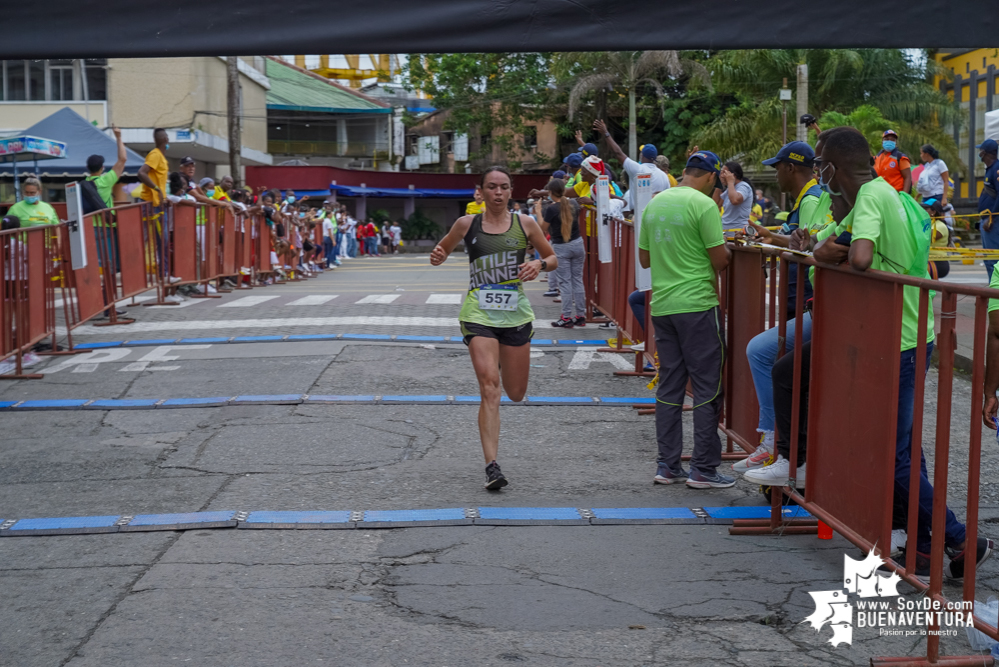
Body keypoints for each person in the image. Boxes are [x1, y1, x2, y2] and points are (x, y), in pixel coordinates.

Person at [754, 127, 992, 580]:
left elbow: (857, 257)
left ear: (834, 166)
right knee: (903, 450)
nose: (817, 169)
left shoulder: (869, 198)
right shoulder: (891, 195)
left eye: (820, 161)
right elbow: (825, 244)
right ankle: (925, 549)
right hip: (902, 335)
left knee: (893, 456)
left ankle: (963, 538)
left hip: (895, 339)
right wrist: (826, 250)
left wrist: (831, 254)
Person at [429, 166, 557, 490]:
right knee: (490, 387)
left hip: (515, 315)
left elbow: (552, 257)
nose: (497, 193)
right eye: (491, 187)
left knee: (515, 393)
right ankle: (492, 466)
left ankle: (505, 363)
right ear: (481, 191)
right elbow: (443, 248)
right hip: (479, 314)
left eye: (503, 187)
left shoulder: (525, 224)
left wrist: (538, 264)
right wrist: (439, 254)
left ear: (510, 191)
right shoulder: (466, 224)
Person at [638, 150, 734, 489]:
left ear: (684, 172)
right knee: (707, 387)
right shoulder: (704, 205)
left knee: (670, 386)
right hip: (697, 305)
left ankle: (667, 465)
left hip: (663, 306)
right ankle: (704, 469)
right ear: (710, 177)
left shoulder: (655, 204)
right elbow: (720, 261)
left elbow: (644, 259)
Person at [737, 140, 828, 473]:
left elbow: (810, 246)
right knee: (781, 367)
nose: (775, 174)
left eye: (777, 168)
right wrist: (773, 239)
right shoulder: (809, 200)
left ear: (791, 168)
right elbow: (801, 241)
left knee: (778, 364)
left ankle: (781, 448)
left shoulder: (815, 199)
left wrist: (785, 246)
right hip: (806, 299)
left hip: (812, 299)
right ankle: (780, 447)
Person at [592, 119, 670, 212]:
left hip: (638, 217)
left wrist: (606, 133)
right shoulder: (664, 176)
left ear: (641, 155)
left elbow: (618, 153)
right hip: (657, 216)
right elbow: (667, 198)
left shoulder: (638, 169)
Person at [541, 179, 585, 328]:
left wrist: (537, 212)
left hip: (561, 246)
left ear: (551, 193)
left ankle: (566, 317)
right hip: (578, 243)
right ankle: (580, 315)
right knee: (577, 280)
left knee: (565, 283)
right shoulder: (574, 204)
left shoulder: (552, 209)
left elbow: (543, 228)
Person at [85, 124, 127, 209]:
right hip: (107, 222)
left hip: (89, 222)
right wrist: (118, 137)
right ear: (102, 168)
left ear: (87, 167)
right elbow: (123, 159)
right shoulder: (106, 181)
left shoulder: (84, 184)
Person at [976, 139, 999, 279]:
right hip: (989, 219)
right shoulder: (990, 170)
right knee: (989, 258)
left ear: (984, 153)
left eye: (980, 151)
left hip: (993, 222)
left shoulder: (996, 170)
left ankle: (995, 292)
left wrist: (992, 218)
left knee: (993, 259)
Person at [136, 128, 169, 208]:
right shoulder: (155, 155)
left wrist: (165, 197)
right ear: (166, 139)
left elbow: (158, 180)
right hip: (151, 204)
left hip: (157, 202)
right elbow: (141, 173)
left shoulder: (160, 156)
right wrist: (157, 189)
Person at [718, 161, 754, 232]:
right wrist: (718, 184)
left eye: (724, 173)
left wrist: (730, 182)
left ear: (733, 175)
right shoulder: (730, 189)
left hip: (738, 230)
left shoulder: (743, 186)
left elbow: (735, 200)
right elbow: (716, 203)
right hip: (726, 229)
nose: (721, 175)